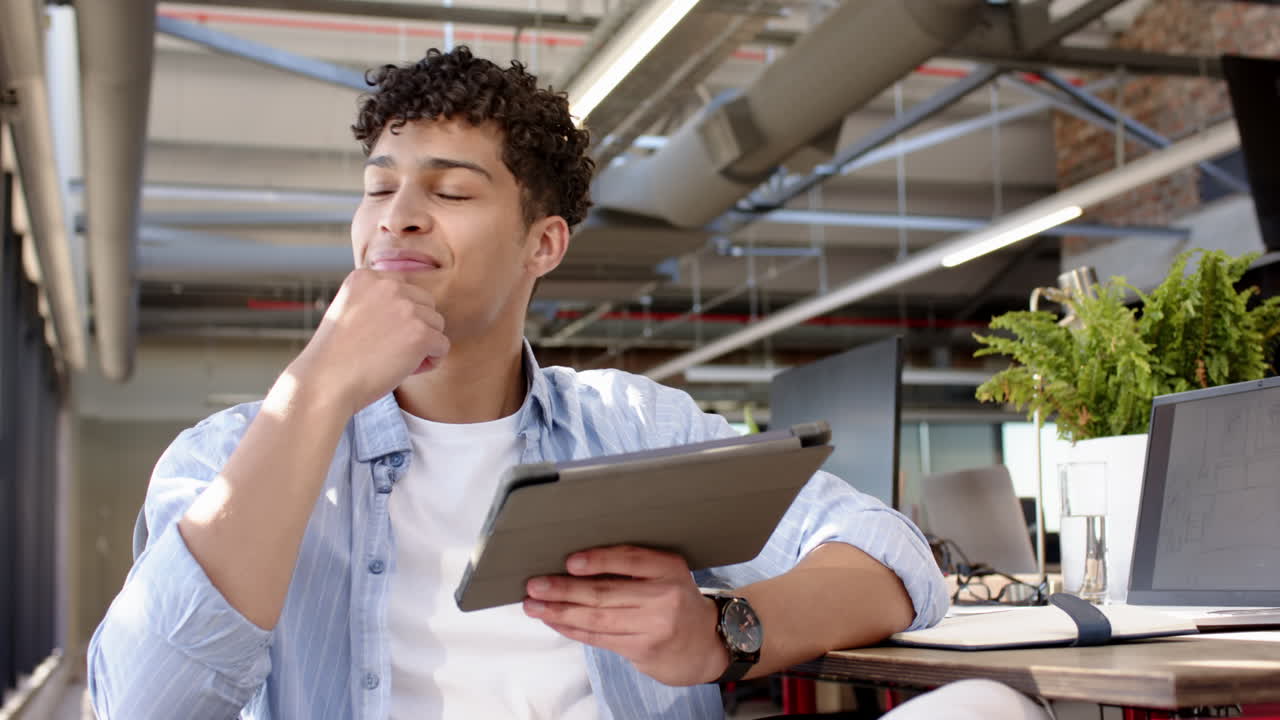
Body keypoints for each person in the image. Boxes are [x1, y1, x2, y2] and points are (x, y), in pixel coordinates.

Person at [86, 46, 950, 719]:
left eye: (451, 193)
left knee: (984, 705)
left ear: (543, 244)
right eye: (379, 189)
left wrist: (723, 632)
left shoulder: (634, 426)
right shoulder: (230, 455)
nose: (398, 216)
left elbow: (893, 555)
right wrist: (314, 391)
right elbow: (141, 705)